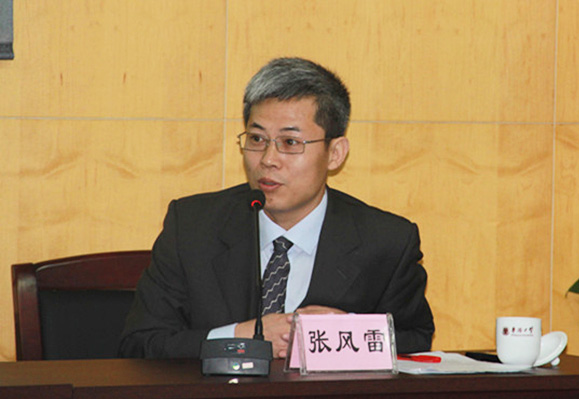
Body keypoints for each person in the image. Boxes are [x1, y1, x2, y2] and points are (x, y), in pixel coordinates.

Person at [119, 57, 434, 359]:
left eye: (290, 143)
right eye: (257, 139)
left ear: (335, 153)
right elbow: (141, 343)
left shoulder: (386, 241)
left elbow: (415, 342)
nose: (268, 159)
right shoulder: (191, 228)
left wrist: (347, 333)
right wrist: (241, 337)